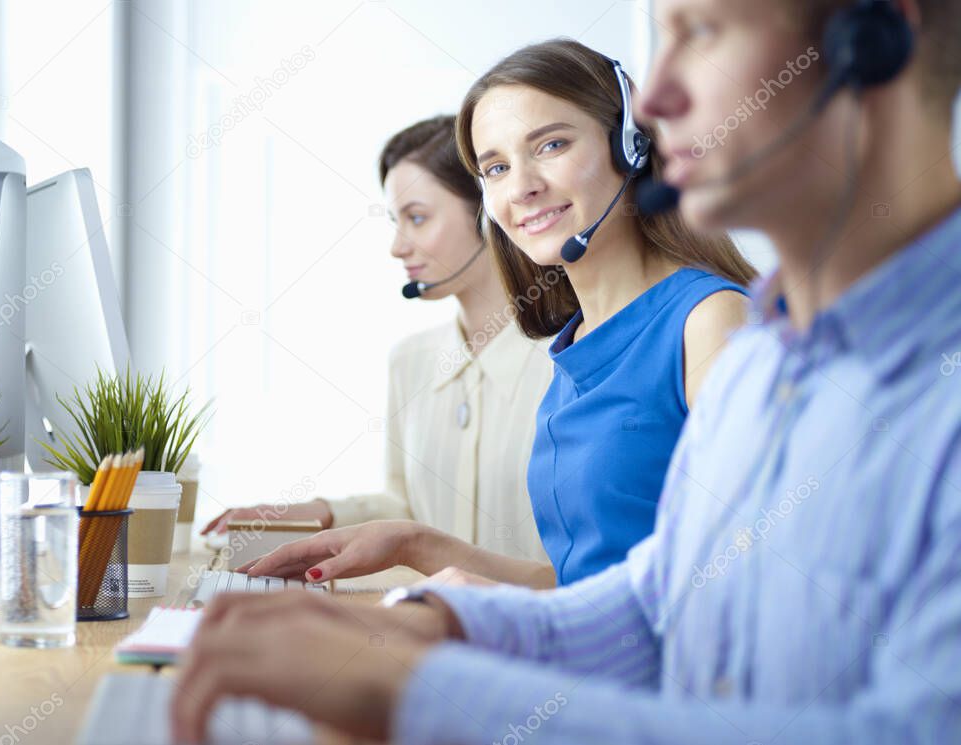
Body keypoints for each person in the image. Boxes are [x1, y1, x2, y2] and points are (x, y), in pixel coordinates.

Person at [171, 1, 961, 743]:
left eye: (705, 29)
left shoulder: (758, 336)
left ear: (872, 36)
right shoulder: (767, 356)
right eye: (493, 167)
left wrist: (419, 689)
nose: (652, 97)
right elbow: (656, 602)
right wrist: (439, 622)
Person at [240, 39, 754, 588]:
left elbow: (738, 583)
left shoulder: (710, 323)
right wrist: (414, 543)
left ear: (630, 146)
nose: (522, 187)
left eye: (551, 144)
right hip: (586, 660)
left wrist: (490, 609)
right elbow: (578, 585)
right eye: (497, 167)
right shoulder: (577, 341)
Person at [203, 115, 555, 566]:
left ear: (489, 214)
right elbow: (406, 508)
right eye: (397, 220)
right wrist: (322, 514)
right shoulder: (411, 361)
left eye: (418, 218)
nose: (397, 246)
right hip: (425, 627)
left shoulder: (568, 359)